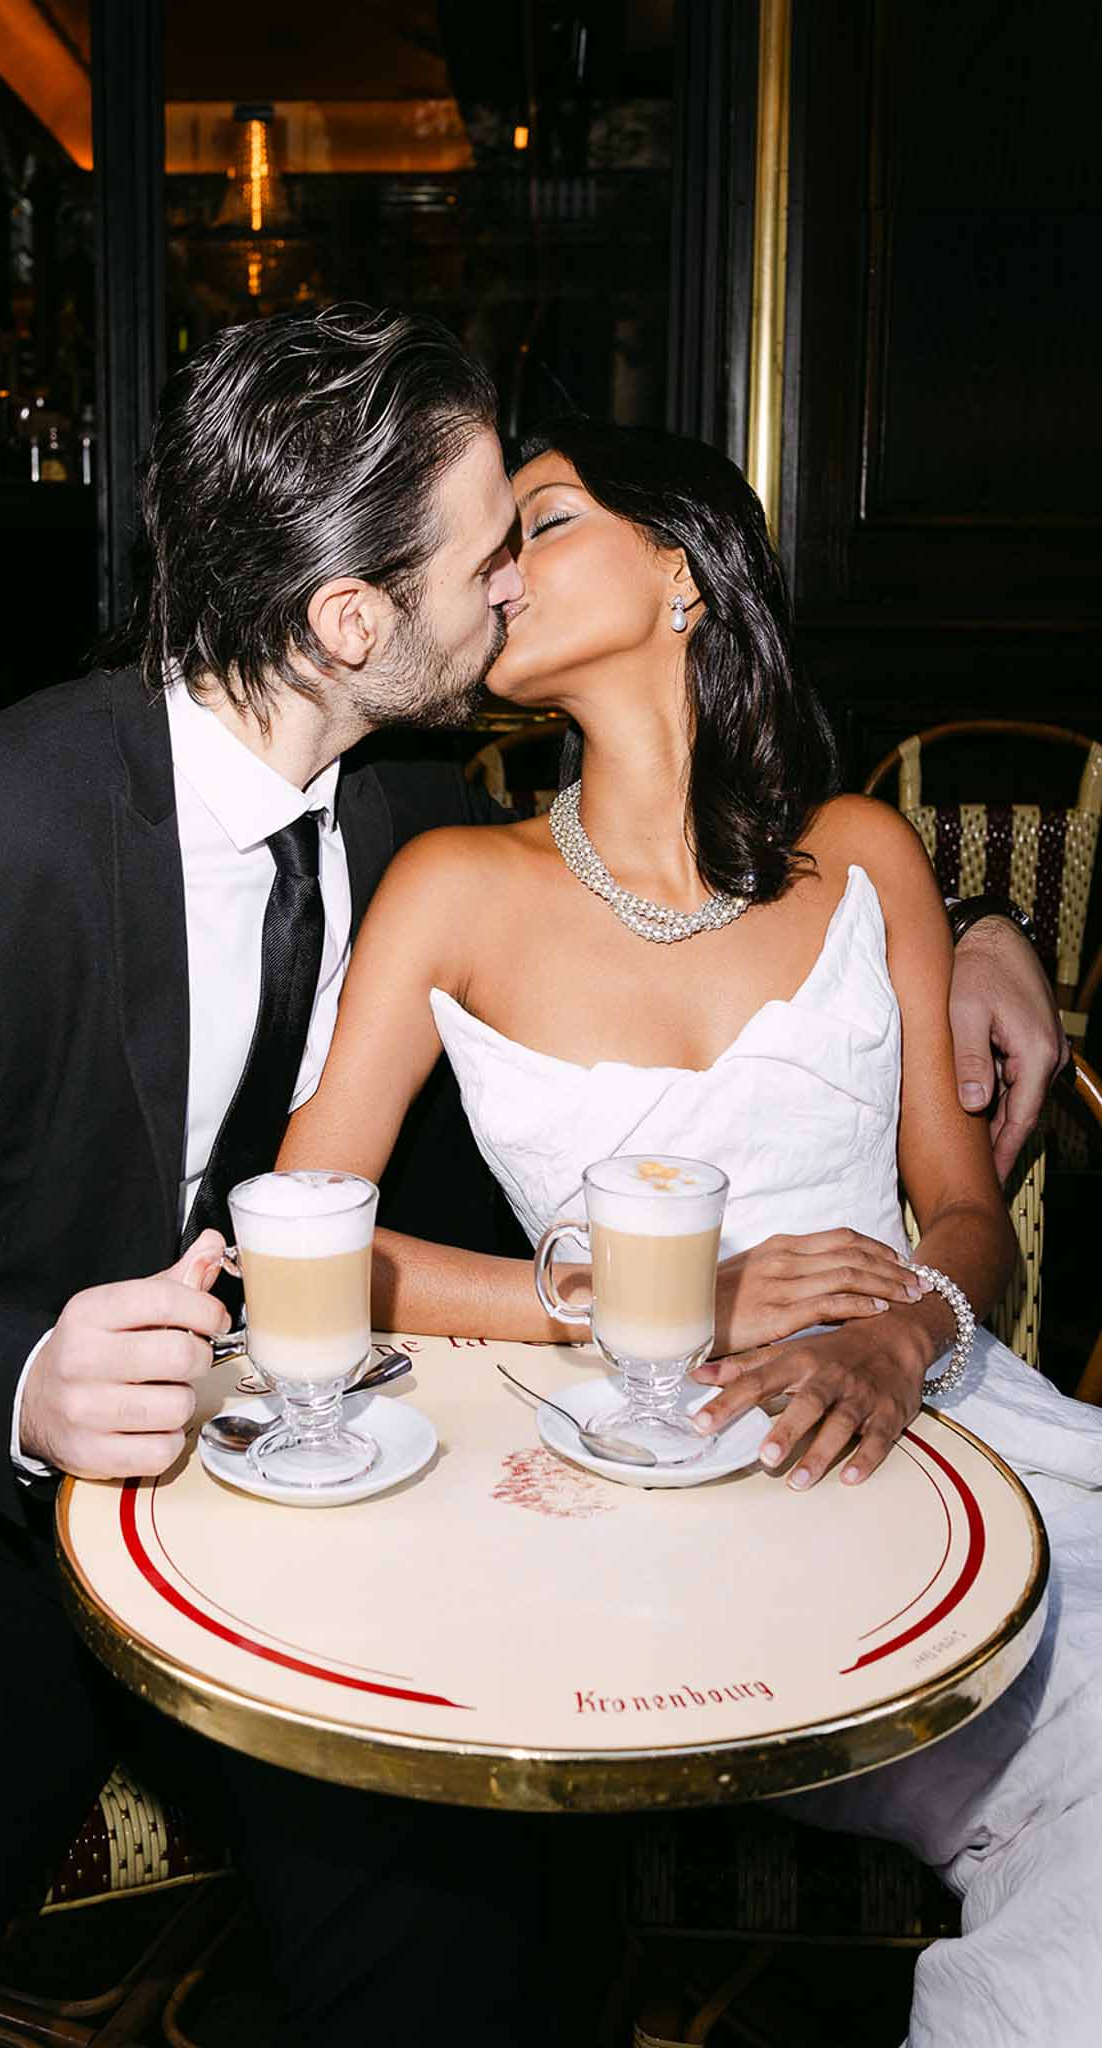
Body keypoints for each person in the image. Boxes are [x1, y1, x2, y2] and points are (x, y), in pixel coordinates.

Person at [0, 314, 1059, 2045]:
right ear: (351, 622)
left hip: (351, 1494)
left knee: (469, 1962)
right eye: (484, 550)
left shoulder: (408, 812)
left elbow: (729, 833)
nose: (510, 583)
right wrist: (19, 1378)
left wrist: (979, 933)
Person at [277, 417, 1102, 2047]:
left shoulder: (861, 857)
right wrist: (652, 1300)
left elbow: (960, 1209)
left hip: (941, 1419)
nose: (495, 570)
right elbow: (312, 1244)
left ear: (681, 575)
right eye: (488, 545)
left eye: (544, 521)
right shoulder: (451, 882)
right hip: (654, 1472)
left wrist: (903, 1331)